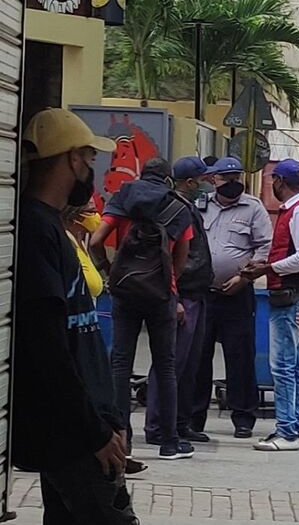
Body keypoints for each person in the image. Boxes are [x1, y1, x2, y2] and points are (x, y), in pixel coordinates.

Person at [14, 107, 137, 523]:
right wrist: (95, 431)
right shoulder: (35, 230)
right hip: (74, 436)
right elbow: (48, 346)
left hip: (84, 429)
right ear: (71, 158)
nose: (90, 168)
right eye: (89, 157)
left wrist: (109, 420)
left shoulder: (52, 226)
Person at [90, 157, 196, 460]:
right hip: (162, 296)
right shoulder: (179, 207)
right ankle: (169, 442)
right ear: (167, 179)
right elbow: (182, 258)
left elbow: (96, 240)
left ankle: (122, 438)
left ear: (141, 175)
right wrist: (168, 285)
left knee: (120, 364)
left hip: (125, 292)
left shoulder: (124, 197)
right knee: (166, 366)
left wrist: (109, 270)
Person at [192, 157, 272, 439]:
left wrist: (245, 278)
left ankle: (243, 417)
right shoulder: (200, 206)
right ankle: (194, 418)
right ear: (214, 180)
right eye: (226, 178)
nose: (233, 182)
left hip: (237, 294)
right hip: (203, 294)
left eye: (236, 176)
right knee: (198, 357)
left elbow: (264, 247)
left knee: (240, 357)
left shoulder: (253, 208)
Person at [242, 158, 299, 451]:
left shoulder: (297, 212)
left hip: (291, 295)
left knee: (283, 365)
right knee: (292, 365)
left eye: (273, 181)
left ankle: (286, 432)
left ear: (280, 182)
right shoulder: (298, 210)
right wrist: (268, 265)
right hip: (295, 294)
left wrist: (267, 269)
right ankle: (294, 427)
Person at [143, 157, 215, 445]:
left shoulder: (187, 208)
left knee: (189, 366)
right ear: (189, 182)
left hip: (198, 294)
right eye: (202, 180)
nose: (206, 185)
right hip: (183, 295)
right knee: (170, 363)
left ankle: (180, 422)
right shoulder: (175, 210)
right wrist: (174, 298)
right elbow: (169, 257)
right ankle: (158, 427)